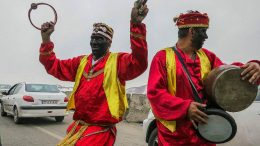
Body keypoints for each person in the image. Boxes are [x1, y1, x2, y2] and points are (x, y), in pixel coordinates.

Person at [39, 1, 149, 145]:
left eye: (99, 39)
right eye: (93, 38)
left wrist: (136, 24)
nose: (94, 42)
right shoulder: (81, 62)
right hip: (78, 128)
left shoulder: (118, 61)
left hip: (99, 132)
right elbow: (54, 66)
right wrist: (46, 39)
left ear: (109, 43)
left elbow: (139, 62)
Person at [147, 10, 260, 146]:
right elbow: (155, 94)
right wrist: (185, 108)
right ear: (192, 31)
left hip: (205, 135)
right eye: (203, 31)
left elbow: (227, 74)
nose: (206, 36)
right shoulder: (162, 57)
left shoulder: (207, 57)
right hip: (175, 137)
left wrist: (253, 67)